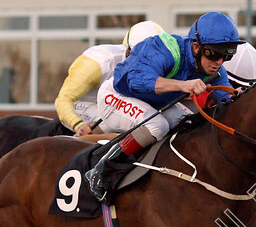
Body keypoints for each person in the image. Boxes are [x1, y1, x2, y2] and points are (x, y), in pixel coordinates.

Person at [86, 12, 243, 201]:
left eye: (227, 55)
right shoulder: (164, 48)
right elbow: (137, 81)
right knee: (157, 126)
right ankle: (101, 169)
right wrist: (183, 85)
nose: (219, 62)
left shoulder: (214, 67)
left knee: (188, 123)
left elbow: (226, 101)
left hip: (150, 102)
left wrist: (240, 97)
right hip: (116, 95)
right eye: (214, 54)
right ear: (196, 46)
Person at [54, 21, 165, 137]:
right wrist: (78, 125)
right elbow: (63, 99)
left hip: (112, 102)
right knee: (117, 121)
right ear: (128, 52)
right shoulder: (97, 63)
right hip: (84, 105)